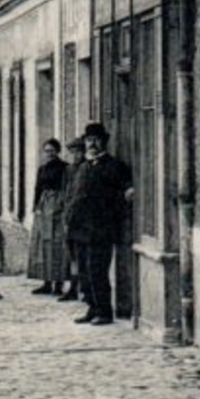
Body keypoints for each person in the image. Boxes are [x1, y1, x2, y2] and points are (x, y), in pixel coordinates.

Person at [63, 122, 133, 325]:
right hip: (80, 229)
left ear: (104, 142)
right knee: (84, 272)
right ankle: (92, 307)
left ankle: (104, 311)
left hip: (101, 229)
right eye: (88, 140)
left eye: (96, 140)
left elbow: (124, 192)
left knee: (97, 271)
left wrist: (127, 192)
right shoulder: (82, 167)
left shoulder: (114, 166)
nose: (92, 144)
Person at [27, 139, 71, 295]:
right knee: (42, 245)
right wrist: (35, 206)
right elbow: (37, 188)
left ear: (58, 151)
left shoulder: (65, 168)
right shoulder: (42, 169)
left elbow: (67, 188)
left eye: (52, 150)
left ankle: (58, 283)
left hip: (59, 207)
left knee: (57, 245)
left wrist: (64, 207)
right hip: (44, 207)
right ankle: (46, 282)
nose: (49, 154)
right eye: (46, 151)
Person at [58, 137, 89, 303]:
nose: (76, 155)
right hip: (69, 216)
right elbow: (66, 191)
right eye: (73, 152)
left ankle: (84, 289)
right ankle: (72, 288)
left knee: (82, 255)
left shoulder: (87, 168)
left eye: (79, 151)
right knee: (71, 255)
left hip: (83, 219)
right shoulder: (69, 170)